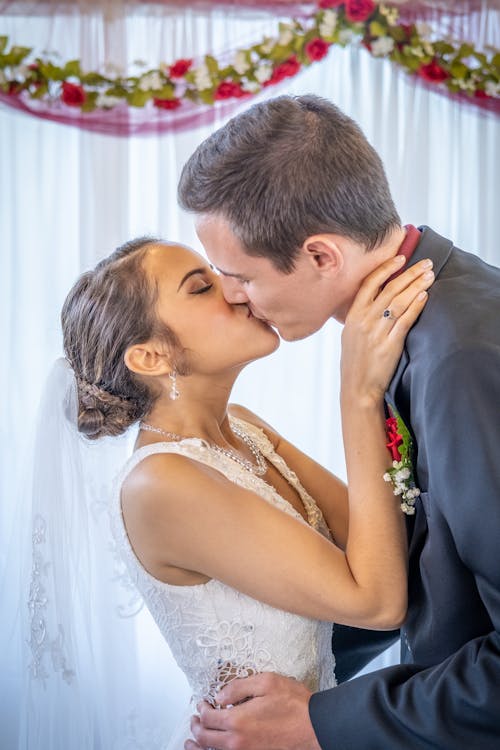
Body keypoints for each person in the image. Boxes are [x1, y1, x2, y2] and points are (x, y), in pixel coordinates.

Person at [177, 94, 500, 749]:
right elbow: (419, 562)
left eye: (238, 276)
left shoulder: (459, 358)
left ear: (322, 256)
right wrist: (300, 666)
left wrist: (322, 723)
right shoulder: (406, 323)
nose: (233, 296)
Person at [57, 235, 431, 749]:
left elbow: (391, 547)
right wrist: (357, 394)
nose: (236, 290)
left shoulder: (245, 429)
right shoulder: (162, 484)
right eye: (201, 287)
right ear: (149, 356)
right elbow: (378, 603)